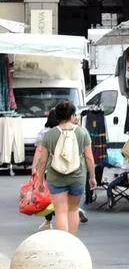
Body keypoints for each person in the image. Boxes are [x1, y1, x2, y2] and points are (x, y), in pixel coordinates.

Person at [32, 101, 95, 235]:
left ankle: (63, 242)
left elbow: (43, 160)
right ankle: (72, 241)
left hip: (56, 177)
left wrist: (41, 180)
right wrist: (93, 177)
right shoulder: (83, 133)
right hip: (77, 176)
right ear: (72, 116)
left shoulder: (49, 135)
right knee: (73, 210)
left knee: (60, 210)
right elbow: (89, 157)